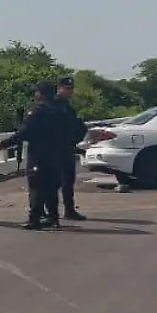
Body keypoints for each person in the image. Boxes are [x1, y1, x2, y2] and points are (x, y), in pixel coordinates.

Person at [2, 82, 71, 230]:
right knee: (51, 187)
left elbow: (24, 132)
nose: (35, 95)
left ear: (41, 94)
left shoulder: (37, 111)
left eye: (37, 92)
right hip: (56, 154)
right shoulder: (62, 110)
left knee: (36, 187)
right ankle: (53, 217)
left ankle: (34, 219)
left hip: (39, 155)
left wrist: (3, 144)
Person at [52, 76, 89, 221]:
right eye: (67, 88)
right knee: (55, 182)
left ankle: (69, 209)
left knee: (68, 181)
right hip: (55, 149)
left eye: (71, 89)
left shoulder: (67, 106)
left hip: (68, 147)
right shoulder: (53, 105)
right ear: (59, 88)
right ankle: (50, 212)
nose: (70, 91)